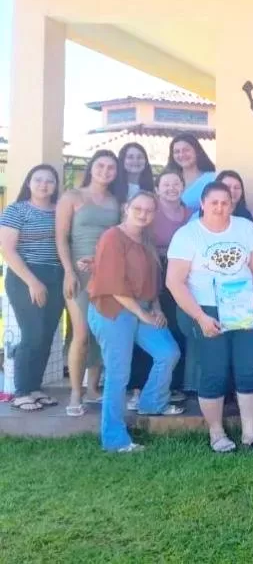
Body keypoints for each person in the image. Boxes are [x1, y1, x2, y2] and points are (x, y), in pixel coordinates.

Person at [166, 181, 253, 452]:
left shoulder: (244, 228)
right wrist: (200, 317)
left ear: (232, 205)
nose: (220, 207)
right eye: (214, 202)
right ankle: (216, 432)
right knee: (214, 371)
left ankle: (249, 431)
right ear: (202, 204)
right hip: (206, 309)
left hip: (243, 307)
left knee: (250, 368)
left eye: (225, 202)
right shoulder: (187, 234)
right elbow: (174, 282)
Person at [87, 191, 184, 452]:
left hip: (142, 308)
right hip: (113, 310)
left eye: (149, 210)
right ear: (126, 208)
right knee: (118, 374)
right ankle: (115, 439)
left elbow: (152, 281)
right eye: (138, 208)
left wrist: (156, 308)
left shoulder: (146, 238)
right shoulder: (112, 237)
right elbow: (113, 284)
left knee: (168, 352)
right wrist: (143, 314)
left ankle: (152, 402)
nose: (143, 214)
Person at [56, 150, 125, 416]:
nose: (105, 171)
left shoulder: (117, 202)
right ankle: (76, 392)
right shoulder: (72, 197)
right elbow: (61, 238)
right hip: (78, 273)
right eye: (101, 165)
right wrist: (69, 271)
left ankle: (93, 389)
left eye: (111, 167)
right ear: (91, 167)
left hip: (106, 273)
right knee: (82, 333)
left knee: (100, 332)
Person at [0, 165, 64, 412]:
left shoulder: (59, 211)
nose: (44, 185)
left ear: (56, 186)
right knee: (32, 333)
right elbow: (8, 249)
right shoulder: (16, 210)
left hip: (55, 276)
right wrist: (32, 281)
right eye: (38, 180)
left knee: (47, 335)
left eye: (50, 181)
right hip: (25, 277)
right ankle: (21, 392)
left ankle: (35, 388)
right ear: (29, 182)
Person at [127, 169, 191, 408]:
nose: (171, 188)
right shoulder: (150, 212)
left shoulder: (190, 214)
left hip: (183, 275)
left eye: (176, 183)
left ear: (183, 187)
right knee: (150, 328)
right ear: (157, 188)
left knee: (177, 328)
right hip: (152, 271)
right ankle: (138, 387)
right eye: (166, 184)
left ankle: (170, 386)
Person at [164, 133, 216, 214]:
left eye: (186, 150)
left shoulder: (212, 178)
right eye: (177, 152)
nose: (181, 155)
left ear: (197, 151)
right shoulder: (166, 179)